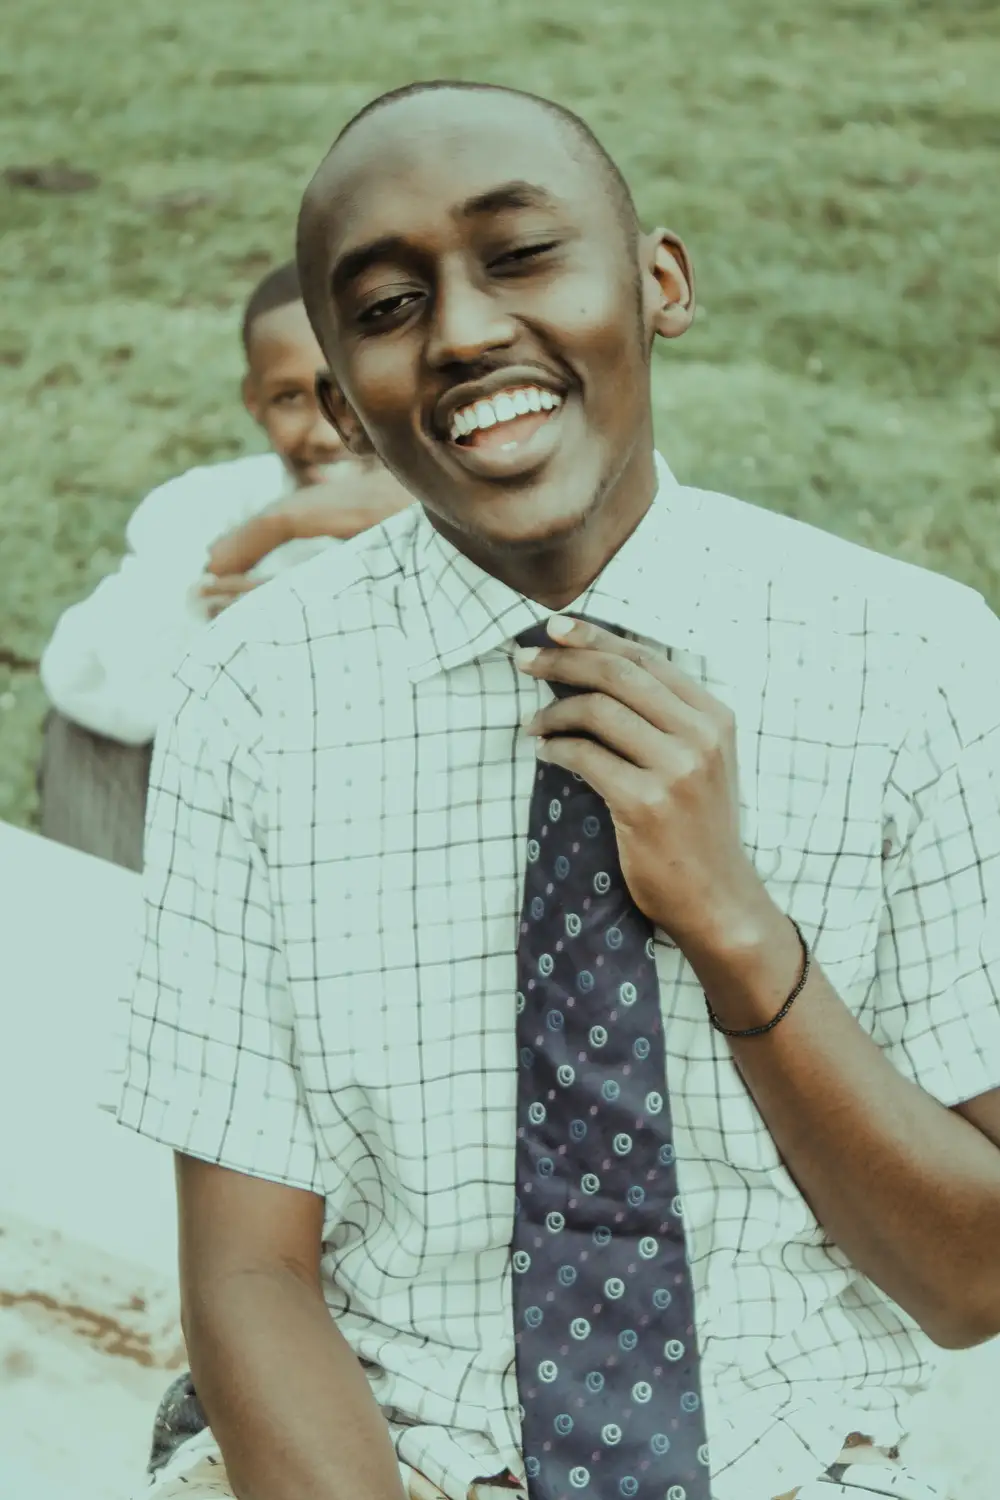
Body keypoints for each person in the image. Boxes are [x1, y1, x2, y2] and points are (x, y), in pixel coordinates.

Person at [113, 82, 1000, 1500]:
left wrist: (735, 928)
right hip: (371, 1452)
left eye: (522, 256)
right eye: (390, 308)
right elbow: (249, 1270)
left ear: (661, 284)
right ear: (342, 395)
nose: (465, 330)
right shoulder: (256, 701)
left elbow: (974, 1280)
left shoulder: (919, 663)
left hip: (785, 1461)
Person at [38, 260, 412, 869]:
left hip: (396, 833)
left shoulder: (471, 505)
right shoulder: (209, 503)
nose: (325, 433)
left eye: (349, 392)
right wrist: (281, 524)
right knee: (86, 735)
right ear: (253, 402)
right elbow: (90, 680)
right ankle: (105, 946)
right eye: (291, 397)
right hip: (237, 825)